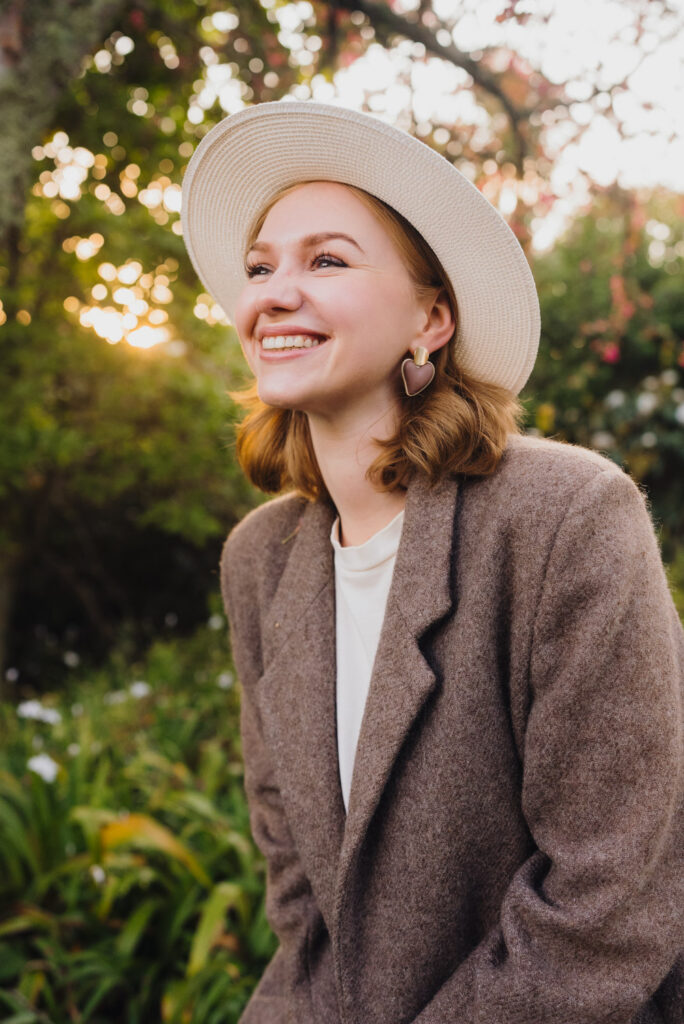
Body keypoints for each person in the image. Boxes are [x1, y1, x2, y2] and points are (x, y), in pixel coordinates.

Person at [181, 102, 683, 1024]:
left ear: (432, 318)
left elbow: (612, 904)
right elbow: (305, 911)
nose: (273, 291)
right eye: (260, 266)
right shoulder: (260, 561)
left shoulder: (568, 516)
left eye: (326, 259)